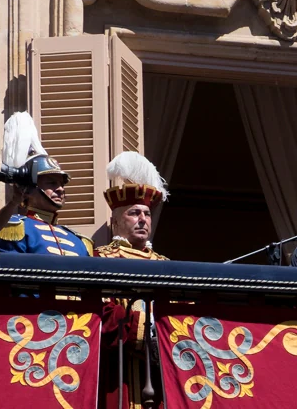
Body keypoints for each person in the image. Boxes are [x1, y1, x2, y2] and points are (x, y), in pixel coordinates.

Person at [92, 151, 170, 409]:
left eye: (146, 214)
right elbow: (99, 312)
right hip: (116, 368)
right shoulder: (99, 259)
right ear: (115, 220)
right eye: (134, 213)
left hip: (157, 369)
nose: (142, 220)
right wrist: (144, 329)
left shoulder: (165, 265)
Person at [0, 113, 91, 257]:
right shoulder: (13, 229)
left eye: (62, 184)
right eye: (51, 183)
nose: (60, 189)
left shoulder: (79, 241)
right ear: (27, 191)